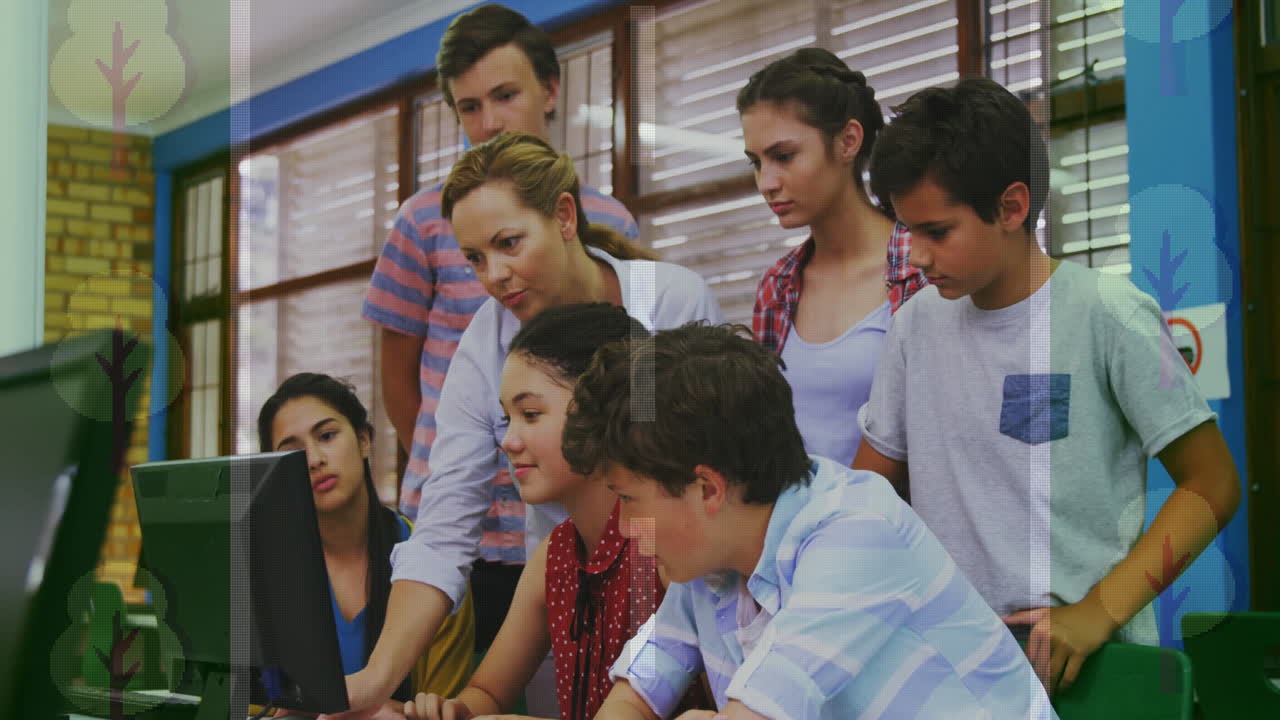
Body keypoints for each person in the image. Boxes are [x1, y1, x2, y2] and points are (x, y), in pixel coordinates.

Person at [854, 77, 1241, 694]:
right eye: (907, 231)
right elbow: (869, 496)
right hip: (950, 667)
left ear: (1011, 208)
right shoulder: (914, 327)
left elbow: (1213, 483)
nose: (916, 257)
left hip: (1087, 666)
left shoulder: (1107, 313)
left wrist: (1098, 612)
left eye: (937, 231)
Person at [336, 132, 723, 719]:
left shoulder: (668, 303)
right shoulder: (555, 557)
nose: (494, 275)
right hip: (576, 586)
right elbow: (444, 530)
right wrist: (372, 683)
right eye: (474, 258)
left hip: (679, 579)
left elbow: (713, 480)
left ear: (565, 216)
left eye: (509, 244)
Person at [559, 323, 1051, 719]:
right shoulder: (710, 558)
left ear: (708, 488)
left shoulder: (857, 532)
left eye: (629, 499)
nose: (624, 526)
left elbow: (768, 701)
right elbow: (644, 682)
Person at [360, 3, 638, 653]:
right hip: (466, 529)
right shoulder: (424, 220)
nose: (487, 123)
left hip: (589, 519)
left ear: (550, 90)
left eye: (504, 96)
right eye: (469, 107)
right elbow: (401, 383)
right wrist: (460, 466)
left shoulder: (610, 221)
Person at [406, 303, 706, 720]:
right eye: (507, 418)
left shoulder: (667, 549)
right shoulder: (555, 555)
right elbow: (488, 692)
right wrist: (452, 712)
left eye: (530, 414)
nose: (508, 441)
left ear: (603, 413)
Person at [740, 48, 926, 466]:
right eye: (756, 162)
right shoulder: (777, 286)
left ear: (848, 141)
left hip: (897, 525)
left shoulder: (924, 269)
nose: (766, 182)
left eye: (783, 156)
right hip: (792, 526)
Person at [257, 373, 475, 716]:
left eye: (327, 436)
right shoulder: (266, 572)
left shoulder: (432, 561)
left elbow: (444, 709)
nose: (314, 459)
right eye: (294, 452)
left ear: (363, 441)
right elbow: (256, 706)